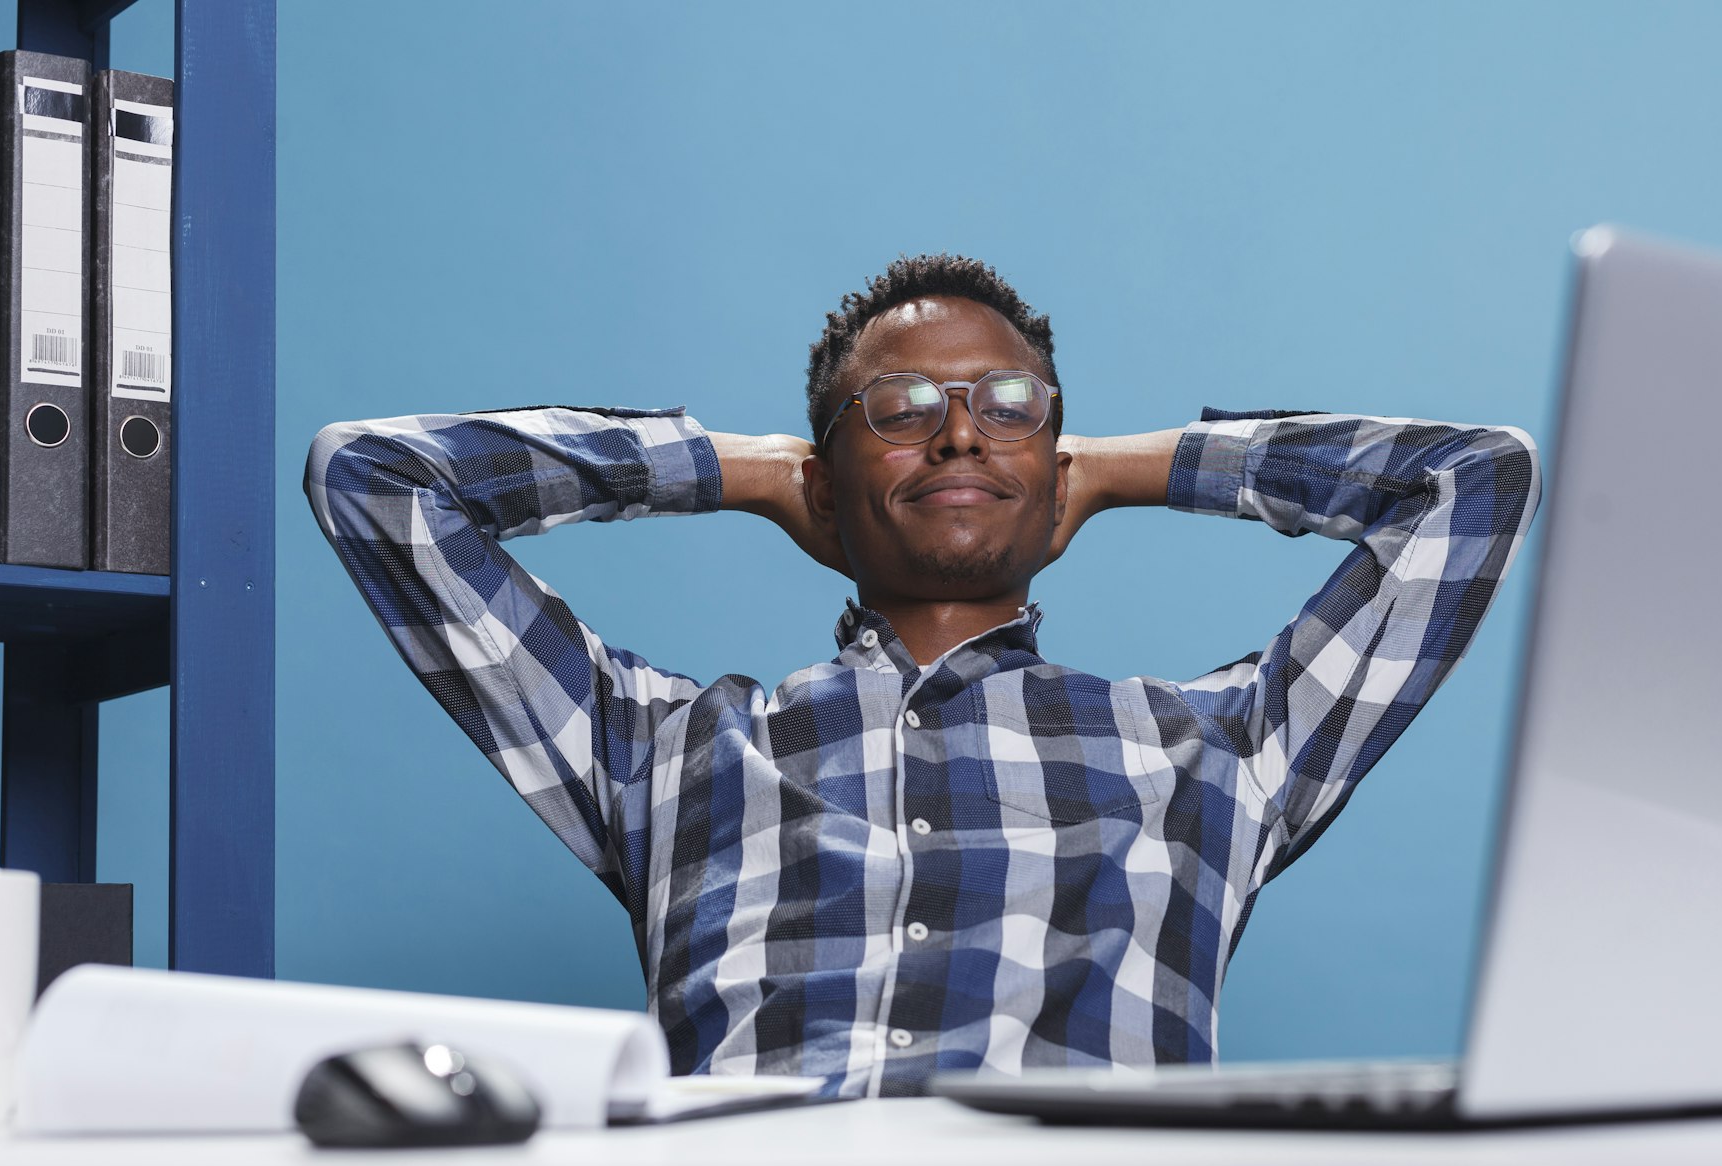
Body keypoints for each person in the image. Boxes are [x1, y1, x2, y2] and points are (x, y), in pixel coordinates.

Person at [305, 254, 1540, 1097]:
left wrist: (1119, 465)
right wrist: (743, 468)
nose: (958, 431)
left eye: (1007, 405)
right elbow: (375, 480)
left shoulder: (1219, 748)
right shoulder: (661, 746)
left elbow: (1473, 482)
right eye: (899, 408)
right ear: (827, 478)